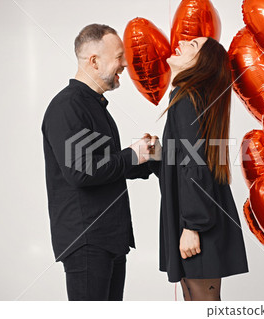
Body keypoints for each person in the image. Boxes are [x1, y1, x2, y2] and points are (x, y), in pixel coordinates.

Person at [41, 24, 160, 301]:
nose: (125, 64)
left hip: (109, 238)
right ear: (94, 61)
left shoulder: (94, 105)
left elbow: (104, 166)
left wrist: (148, 159)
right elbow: (81, 172)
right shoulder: (67, 106)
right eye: (119, 56)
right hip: (87, 241)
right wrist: (133, 154)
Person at [155, 37, 249, 301]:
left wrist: (192, 227)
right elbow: (191, 158)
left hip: (199, 221)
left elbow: (194, 164)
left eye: (193, 45)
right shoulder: (191, 97)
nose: (183, 42)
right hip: (200, 214)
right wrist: (158, 158)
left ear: (201, 65)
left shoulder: (187, 97)